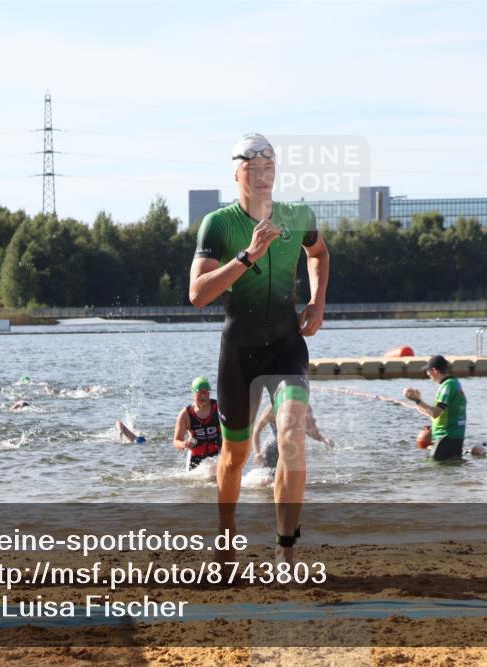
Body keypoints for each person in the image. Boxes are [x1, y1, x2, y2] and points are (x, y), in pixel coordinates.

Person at [189, 132, 330, 562]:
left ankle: (286, 549)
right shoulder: (218, 224)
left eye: (270, 167)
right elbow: (197, 294)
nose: (264, 175)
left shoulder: (297, 214)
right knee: (235, 456)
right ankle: (227, 531)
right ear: (237, 173)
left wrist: (317, 301)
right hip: (240, 354)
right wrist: (247, 256)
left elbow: (319, 253)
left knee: (290, 435)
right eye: (254, 168)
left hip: (287, 347)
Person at [403, 355, 467, 461]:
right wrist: (418, 401)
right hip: (454, 437)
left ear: (434, 370)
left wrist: (417, 400)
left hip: (446, 437)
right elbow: (435, 414)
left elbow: (435, 413)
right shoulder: (454, 383)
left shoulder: (447, 386)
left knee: (433, 469)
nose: (427, 374)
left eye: (428, 371)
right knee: (450, 470)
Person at [252, 403, 334, 469]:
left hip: (295, 451)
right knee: (269, 482)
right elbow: (256, 431)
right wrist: (257, 453)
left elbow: (309, 431)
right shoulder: (272, 409)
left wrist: (323, 439)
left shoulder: (305, 407)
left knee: (293, 483)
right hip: (274, 450)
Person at [173, 377, 223, 470]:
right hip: (195, 458)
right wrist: (184, 444)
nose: (203, 396)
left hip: (217, 454)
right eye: (200, 392)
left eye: (206, 392)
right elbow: (176, 441)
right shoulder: (185, 414)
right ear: (193, 393)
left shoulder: (219, 408)